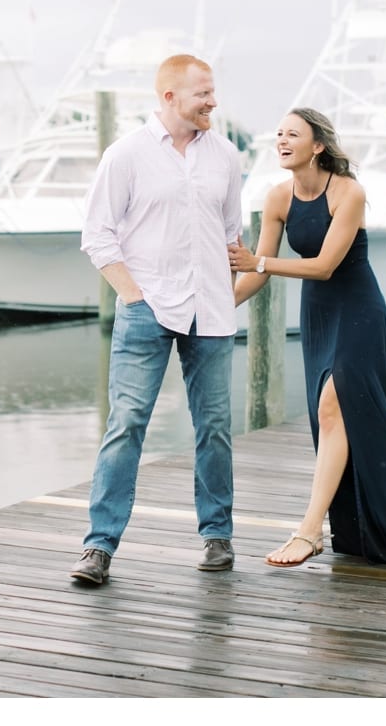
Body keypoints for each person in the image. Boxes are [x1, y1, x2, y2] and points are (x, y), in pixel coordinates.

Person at [229, 107, 386, 568]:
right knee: (333, 418)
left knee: (333, 402)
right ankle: (339, 528)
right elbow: (255, 274)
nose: (282, 141)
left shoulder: (349, 192)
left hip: (358, 310)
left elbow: (323, 266)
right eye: (279, 134)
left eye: (293, 134)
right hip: (320, 315)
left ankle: (309, 531)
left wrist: (259, 263)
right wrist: (214, 309)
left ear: (318, 145)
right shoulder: (277, 197)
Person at [70, 53, 245, 585]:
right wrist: (134, 295)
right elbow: (96, 234)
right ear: (169, 96)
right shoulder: (125, 156)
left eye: (214, 92)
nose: (213, 102)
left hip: (211, 311)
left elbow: (231, 237)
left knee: (214, 427)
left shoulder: (227, 156)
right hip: (148, 309)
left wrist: (231, 288)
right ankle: (99, 547)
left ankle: (217, 536)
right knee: (126, 426)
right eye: (203, 94)